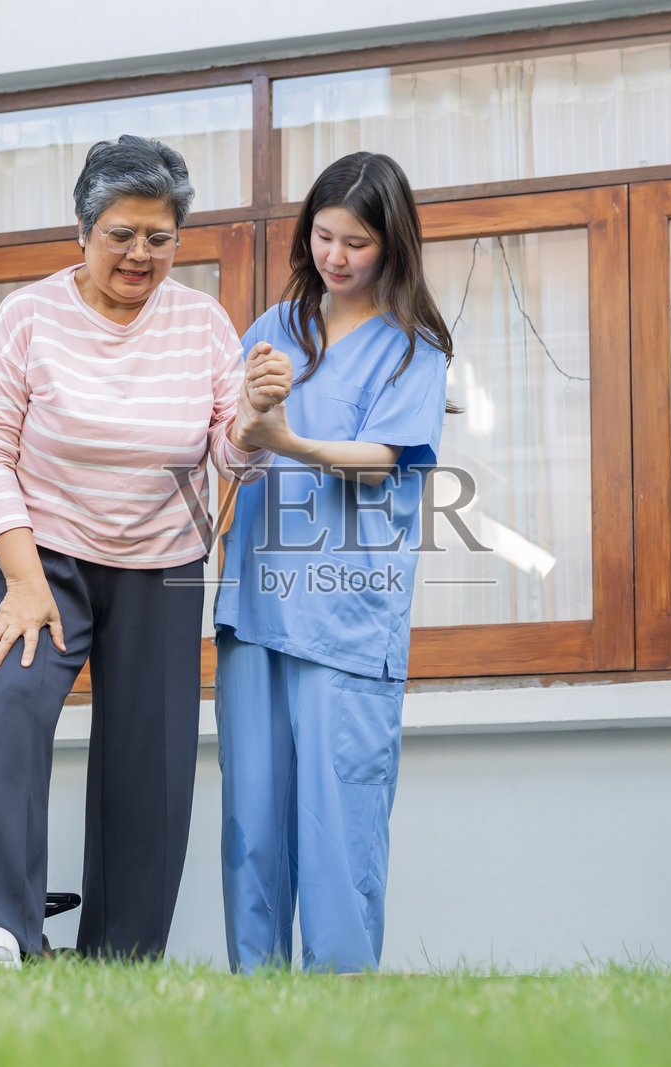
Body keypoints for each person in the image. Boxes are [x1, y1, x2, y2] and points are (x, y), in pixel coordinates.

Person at [0, 134, 291, 966]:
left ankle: (123, 956)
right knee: (16, 710)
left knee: (153, 758)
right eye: (122, 234)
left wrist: (251, 418)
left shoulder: (205, 322)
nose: (140, 254)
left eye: (159, 237)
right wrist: (23, 581)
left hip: (162, 562)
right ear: (83, 229)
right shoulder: (28, 317)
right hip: (46, 554)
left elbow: (228, 455)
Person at [213, 152, 453, 973]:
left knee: (336, 823)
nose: (336, 255)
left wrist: (288, 438)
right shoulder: (270, 331)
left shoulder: (412, 351)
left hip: (346, 620)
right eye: (322, 235)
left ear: (392, 246)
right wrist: (250, 417)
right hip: (254, 608)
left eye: (356, 241)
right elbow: (227, 446)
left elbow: (380, 460)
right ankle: (256, 996)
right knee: (252, 820)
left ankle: (339, 1004)